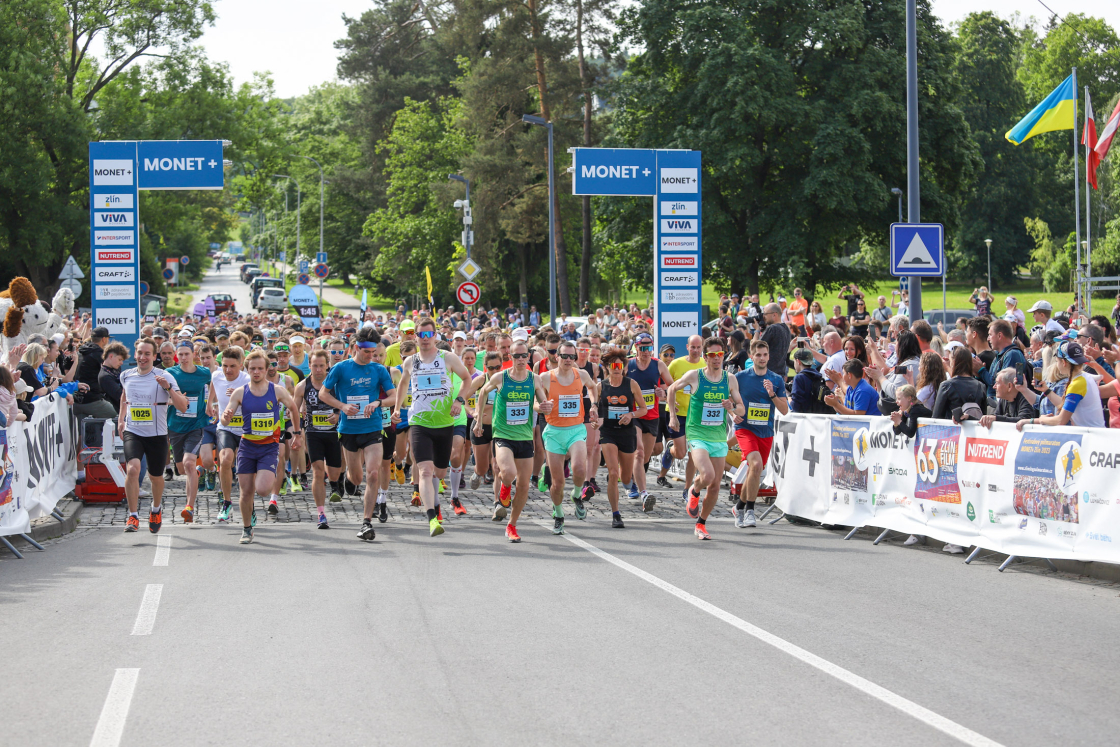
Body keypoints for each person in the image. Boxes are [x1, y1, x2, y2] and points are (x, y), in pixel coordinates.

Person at [392, 317, 475, 537]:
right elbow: (402, 384)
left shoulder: (448, 358)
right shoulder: (410, 362)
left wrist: (459, 401)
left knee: (439, 471)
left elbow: (467, 380)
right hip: (419, 422)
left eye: (429, 334)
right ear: (415, 336)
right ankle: (432, 518)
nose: (425, 339)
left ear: (435, 336)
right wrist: (397, 408)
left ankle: (436, 502)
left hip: (445, 423)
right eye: (421, 335)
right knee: (425, 471)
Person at [319, 325, 396, 541]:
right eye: (366, 352)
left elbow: (394, 396)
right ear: (355, 347)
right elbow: (324, 393)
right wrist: (342, 406)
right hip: (349, 430)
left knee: (373, 474)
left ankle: (366, 523)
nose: (370, 356)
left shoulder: (379, 370)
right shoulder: (341, 368)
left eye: (373, 352)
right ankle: (349, 480)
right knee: (357, 477)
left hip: (372, 428)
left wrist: (379, 402)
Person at [222, 349, 303, 545]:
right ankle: (247, 528)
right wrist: (226, 416)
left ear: (267, 369)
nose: (256, 372)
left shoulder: (277, 390)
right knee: (246, 491)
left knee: (264, 490)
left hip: (269, 447)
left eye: (260, 368)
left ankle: (266, 474)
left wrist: (297, 433)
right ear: (247, 369)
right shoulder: (241, 391)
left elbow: (293, 408)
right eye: (252, 369)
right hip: (247, 446)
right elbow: (228, 412)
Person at [666, 337, 744, 540]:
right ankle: (694, 488)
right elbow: (671, 389)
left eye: (720, 354)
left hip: (718, 436)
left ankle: (701, 523)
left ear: (724, 355)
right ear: (705, 356)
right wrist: (673, 416)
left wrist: (732, 407)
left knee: (716, 485)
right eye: (712, 355)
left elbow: (741, 408)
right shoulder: (695, 376)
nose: (716, 359)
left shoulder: (730, 379)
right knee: (707, 475)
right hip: (697, 433)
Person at [472, 340, 549, 541]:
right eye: (517, 356)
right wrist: (479, 420)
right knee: (507, 472)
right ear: (510, 357)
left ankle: (512, 525)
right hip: (503, 434)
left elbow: (539, 403)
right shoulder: (501, 377)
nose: (521, 359)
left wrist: (544, 407)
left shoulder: (535, 379)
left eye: (525, 355)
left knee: (523, 485)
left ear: (529, 356)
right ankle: (504, 489)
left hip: (524, 436)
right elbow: (482, 392)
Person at [118, 338, 189, 534]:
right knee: (133, 469)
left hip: (157, 433)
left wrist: (167, 388)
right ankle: (132, 516)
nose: (143, 357)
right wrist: (121, 419)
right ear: (135, 354)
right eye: (140, 353)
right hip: (133, 431)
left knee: (155, 476)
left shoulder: (164, 376)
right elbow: (125, 396)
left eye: (147, 354)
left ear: (154, 356)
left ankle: (155, 509)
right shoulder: (126, 375)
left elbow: (183, 405)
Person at [537, 340, 600, 533]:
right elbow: (534, 400)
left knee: (579, 468)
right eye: (564, 356)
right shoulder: (545, 377)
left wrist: (594, 404)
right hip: (554, 432)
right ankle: (558, 513)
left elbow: (592, 387)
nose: (568, 359)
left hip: (576, 429)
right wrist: (540, 406)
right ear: (556, 356)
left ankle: (576, 494)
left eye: (572, 356)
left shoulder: (581, 374)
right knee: (557, 483)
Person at [730, 340, 788, 528]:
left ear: (769, 356)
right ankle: (750, 512)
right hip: (745, 429)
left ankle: (739, 506)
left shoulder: (776, 380)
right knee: (755, 464)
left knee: (755, 470)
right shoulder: (740, 378)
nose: (762, 358)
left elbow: (785, 410)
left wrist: (772, 394)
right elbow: (729, 399)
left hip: (765, 431)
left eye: (765, 355)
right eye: (758, 355)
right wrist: (733, 414)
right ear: (752, 357)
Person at [596, 349, 648, 528]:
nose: (617, 369)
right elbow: (594, 408)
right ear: (608, 368)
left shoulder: (631, 384)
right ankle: (616, 514)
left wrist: (631, 414)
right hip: (608, 432)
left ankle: (627, 483)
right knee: (613, 473)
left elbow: (644, 408)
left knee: (625, 477)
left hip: (627, 432)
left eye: (620, 365)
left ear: (624, 367)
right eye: (613, 366)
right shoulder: (600, 386)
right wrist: (594, 415)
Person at [625, 332, 672, 511]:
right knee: (639, 452)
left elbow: (671, 384)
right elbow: (616, 382)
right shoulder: (628, 365)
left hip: (652, 416)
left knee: (645, 455)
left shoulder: (658, 364)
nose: (646, 351)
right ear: (636, 347)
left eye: (649, 348)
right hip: (634, 414)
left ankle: (634, 479)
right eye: (643, 348)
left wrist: (663, 391)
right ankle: (642, 491)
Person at [165, 341, 211, 523]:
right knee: (181, 469)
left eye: (187, 354)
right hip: (175, 424)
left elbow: (214, 385)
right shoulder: (170, 374)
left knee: (189, 463)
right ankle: (197, 473)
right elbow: (162, 395)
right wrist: (174, 401)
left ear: (194, 354)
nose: (184, 358)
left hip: (196, 424)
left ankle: (189, 507)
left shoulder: (204, 373)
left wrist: (210, 405)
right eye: (181, 355)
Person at [297, 350, 342, 529]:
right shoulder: (302, 386)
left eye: (321, 365)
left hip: (333, 433)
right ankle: (321, 513)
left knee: (334, 472)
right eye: (314, 365)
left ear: (327, 366)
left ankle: (335, 484)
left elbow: (345, 403)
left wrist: (338, 414)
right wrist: (297, 432)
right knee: (317, 471)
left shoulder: (335, 384)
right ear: (310, 366)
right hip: (313, 433)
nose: (318, 369)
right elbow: (295, 411)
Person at [206, 345, 251, 523]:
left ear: (240, 365)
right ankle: (226, 502)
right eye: (225, 365)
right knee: (225, 460)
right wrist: (210, 403)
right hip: (226, 427)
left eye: (232, 366)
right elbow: (213, 384)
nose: (228, 370)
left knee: (246, 470)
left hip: (247, 429)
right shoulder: (217, 375)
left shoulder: (247, 379)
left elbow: (258, 402)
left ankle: (248, 503)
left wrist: (241, 397)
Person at [1016, 341, 1104, 429]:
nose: (1057, 365)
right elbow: (1064, 407)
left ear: (1064, 362)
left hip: (1091, 435)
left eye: (1057, 361)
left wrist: (1040, 420)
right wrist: (1046, 390)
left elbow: (1061, 420)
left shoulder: (1077, 384)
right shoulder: (1083, 376)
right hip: (1094, 433)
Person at [74, 327, 119, 422]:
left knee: (83, 433)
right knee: (118, 417)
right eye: (108, 338)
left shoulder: (81, 351)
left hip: (77, 399)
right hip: (92, 400)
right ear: (104, 339)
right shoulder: (99, 354)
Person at [931, 347, 988, 421]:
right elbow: (984, 415)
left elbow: (936, 417)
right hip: (975, 430)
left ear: (954, 362)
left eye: (950, 360)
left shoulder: (946, 386)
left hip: (953, 430)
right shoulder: (981, 386)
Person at [789, 348, 831, 413]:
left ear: (798, 361)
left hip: (804, 419)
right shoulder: (818, 376)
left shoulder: (799, 377)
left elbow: (795, 406)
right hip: (816, 417)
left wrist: (788, 397)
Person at [759, 302, 791, 379]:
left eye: (765, 314)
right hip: (780, 373)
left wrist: (757, 330)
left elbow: (756, 347)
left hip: (768, 373)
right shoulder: (786, 329)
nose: (763, 317)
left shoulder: (772, 329)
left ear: (774, 314)